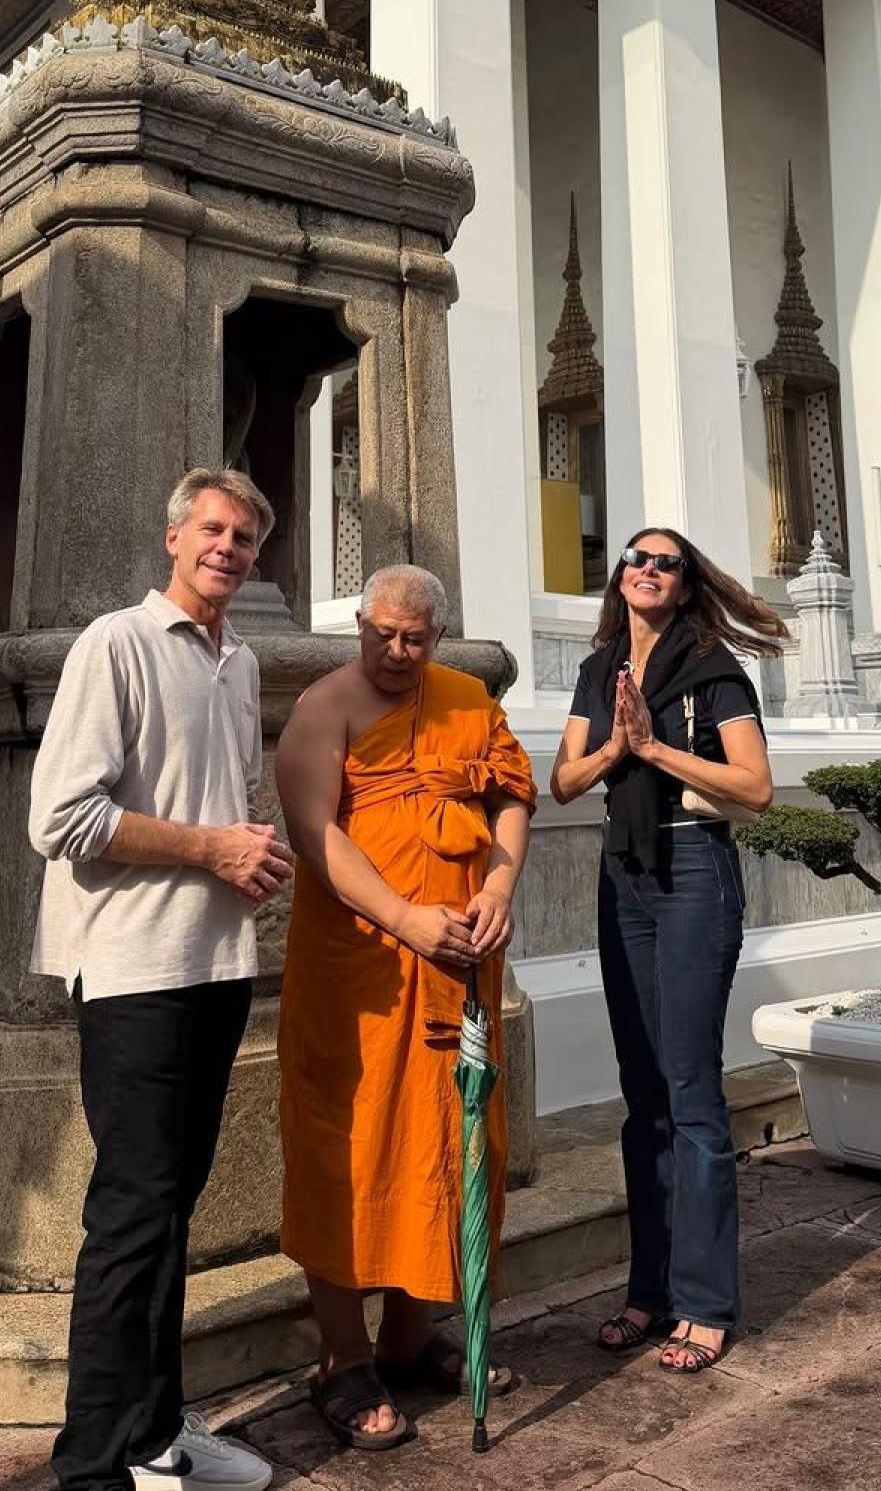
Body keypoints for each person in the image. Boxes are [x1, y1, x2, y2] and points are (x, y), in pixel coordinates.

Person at [29, 468, 293, 1491]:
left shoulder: (240, 663)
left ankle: (152, 1436)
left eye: (245, 536)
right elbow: (61, 818)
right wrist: (210, 847)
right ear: (174, 536)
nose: (228, 545)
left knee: (170, 1209)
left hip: (214, 967)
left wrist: (250, 854)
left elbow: (219, 815)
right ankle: (91, 1465)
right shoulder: (117, 644)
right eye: (213, 528)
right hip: (134, 969)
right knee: (132, 1213)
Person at [276, 564, 536, 1451]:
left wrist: (501, 881)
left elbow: (508, 795)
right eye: (381, 633)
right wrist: (400, 916)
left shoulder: (466, 697)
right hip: (363, 973)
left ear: (439, 635)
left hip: (461, 962)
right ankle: (344, 1362)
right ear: (360, 624)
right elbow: (316, 833)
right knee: (349, 1151)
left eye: (414, 638)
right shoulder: (325, 707)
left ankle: (412, 1335)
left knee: (450, 1139)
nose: (395, 651)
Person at [551, 528, 785, 1374]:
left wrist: (654, 748)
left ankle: (705, 1303)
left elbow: (754, 789)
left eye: (666, 563)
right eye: (635, 560)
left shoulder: (715, 670)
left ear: (685, 586)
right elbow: (565, 780)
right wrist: (618, 747)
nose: (647, 571)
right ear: (620, 578)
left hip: (692, 868)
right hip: (626, 873)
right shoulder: (600, 667)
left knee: (690, 1090)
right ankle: (649, 1292)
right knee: (641, 1089)